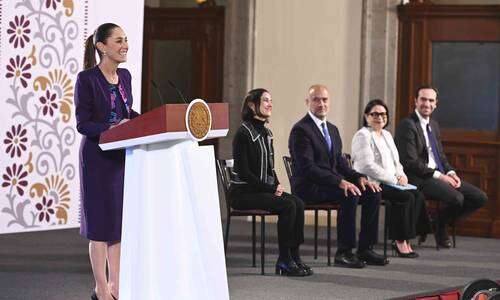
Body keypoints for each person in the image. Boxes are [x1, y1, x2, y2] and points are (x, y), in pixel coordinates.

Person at [288, 84, 388, 269]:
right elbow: (308, 168)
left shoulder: (332, 129)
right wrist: (340, 182)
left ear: (329, 102)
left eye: (324, 99)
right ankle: (344, 252)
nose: (321, 103)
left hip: (329, 184)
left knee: (372, 192)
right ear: (307, 102)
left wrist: (360, 178)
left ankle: (365, 248)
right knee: (349, 193)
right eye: (316, 99)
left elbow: (340, 163)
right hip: (308, 186)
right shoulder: (301, 130)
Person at [75, 23, 139, 300]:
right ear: (101, 46)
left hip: (120, 156)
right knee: (100, 224)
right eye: (118, 41)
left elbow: (128, 112)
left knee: (117, 224)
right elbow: (83, 124)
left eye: (125, 40)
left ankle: (117, 285)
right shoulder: (87, 78)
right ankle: (101, 287)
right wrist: (111, 129)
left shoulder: (125, 76)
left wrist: (146, 121)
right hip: (97, 158)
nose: (125, 45)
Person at [230, 88, 312, 277]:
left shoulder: (267, 133)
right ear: (252, 105)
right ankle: (283, 260)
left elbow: (270, 168)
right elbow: (243, 172)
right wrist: (270, 188)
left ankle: (294, 256)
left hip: (261, 191)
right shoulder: (243, 133)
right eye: (265, 100)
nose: (270, 104)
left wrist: (277, 184)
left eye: (271, 100)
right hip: (243, 194)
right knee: (287, 206)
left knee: (298, 202)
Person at [394, 85, 487, 248]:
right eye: (423, 99)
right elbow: (410, 162)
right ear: (415, 101)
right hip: (419, 177)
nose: (427, 104)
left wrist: (451, 172)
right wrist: (440, 176)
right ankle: (440, 227)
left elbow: (441, 156)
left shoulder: (434, 125)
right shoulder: (407, 125)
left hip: (439, 174)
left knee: (479, 197)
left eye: (431, 100)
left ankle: (438, 223)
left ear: (436, 104)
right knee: (456, 198)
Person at [351, 99, 430, 258]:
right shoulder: (363, 135)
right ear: (367, 116)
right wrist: (394, 180)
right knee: (405, 197)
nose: (380, 117)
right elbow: (367, 166)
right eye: (375, 114)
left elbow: (397, 162)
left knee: (418, 195)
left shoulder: (386, 134)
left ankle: (407, 238)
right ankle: (399, 241)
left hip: (391, 181)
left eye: (383, 114)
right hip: (371, 182)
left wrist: (401, 175)